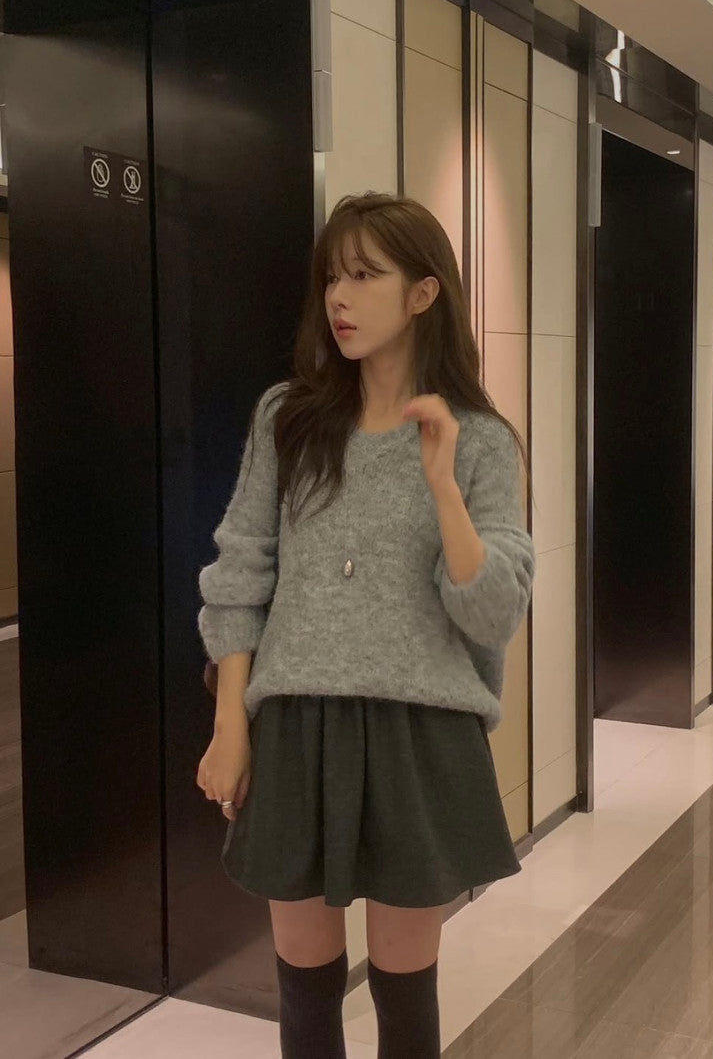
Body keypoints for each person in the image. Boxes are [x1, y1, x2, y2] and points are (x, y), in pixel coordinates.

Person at [195, 192, 536, 1058]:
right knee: (304, 985)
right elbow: (240, 574)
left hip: (419, 731)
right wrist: (232, 724)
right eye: (331, 279)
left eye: (363, 276)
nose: (338, 298)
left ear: (422, 293)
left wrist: (443, 486)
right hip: (296, 722)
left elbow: (494, 610)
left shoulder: (479, 439)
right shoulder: (287, 417)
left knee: (404, 988)